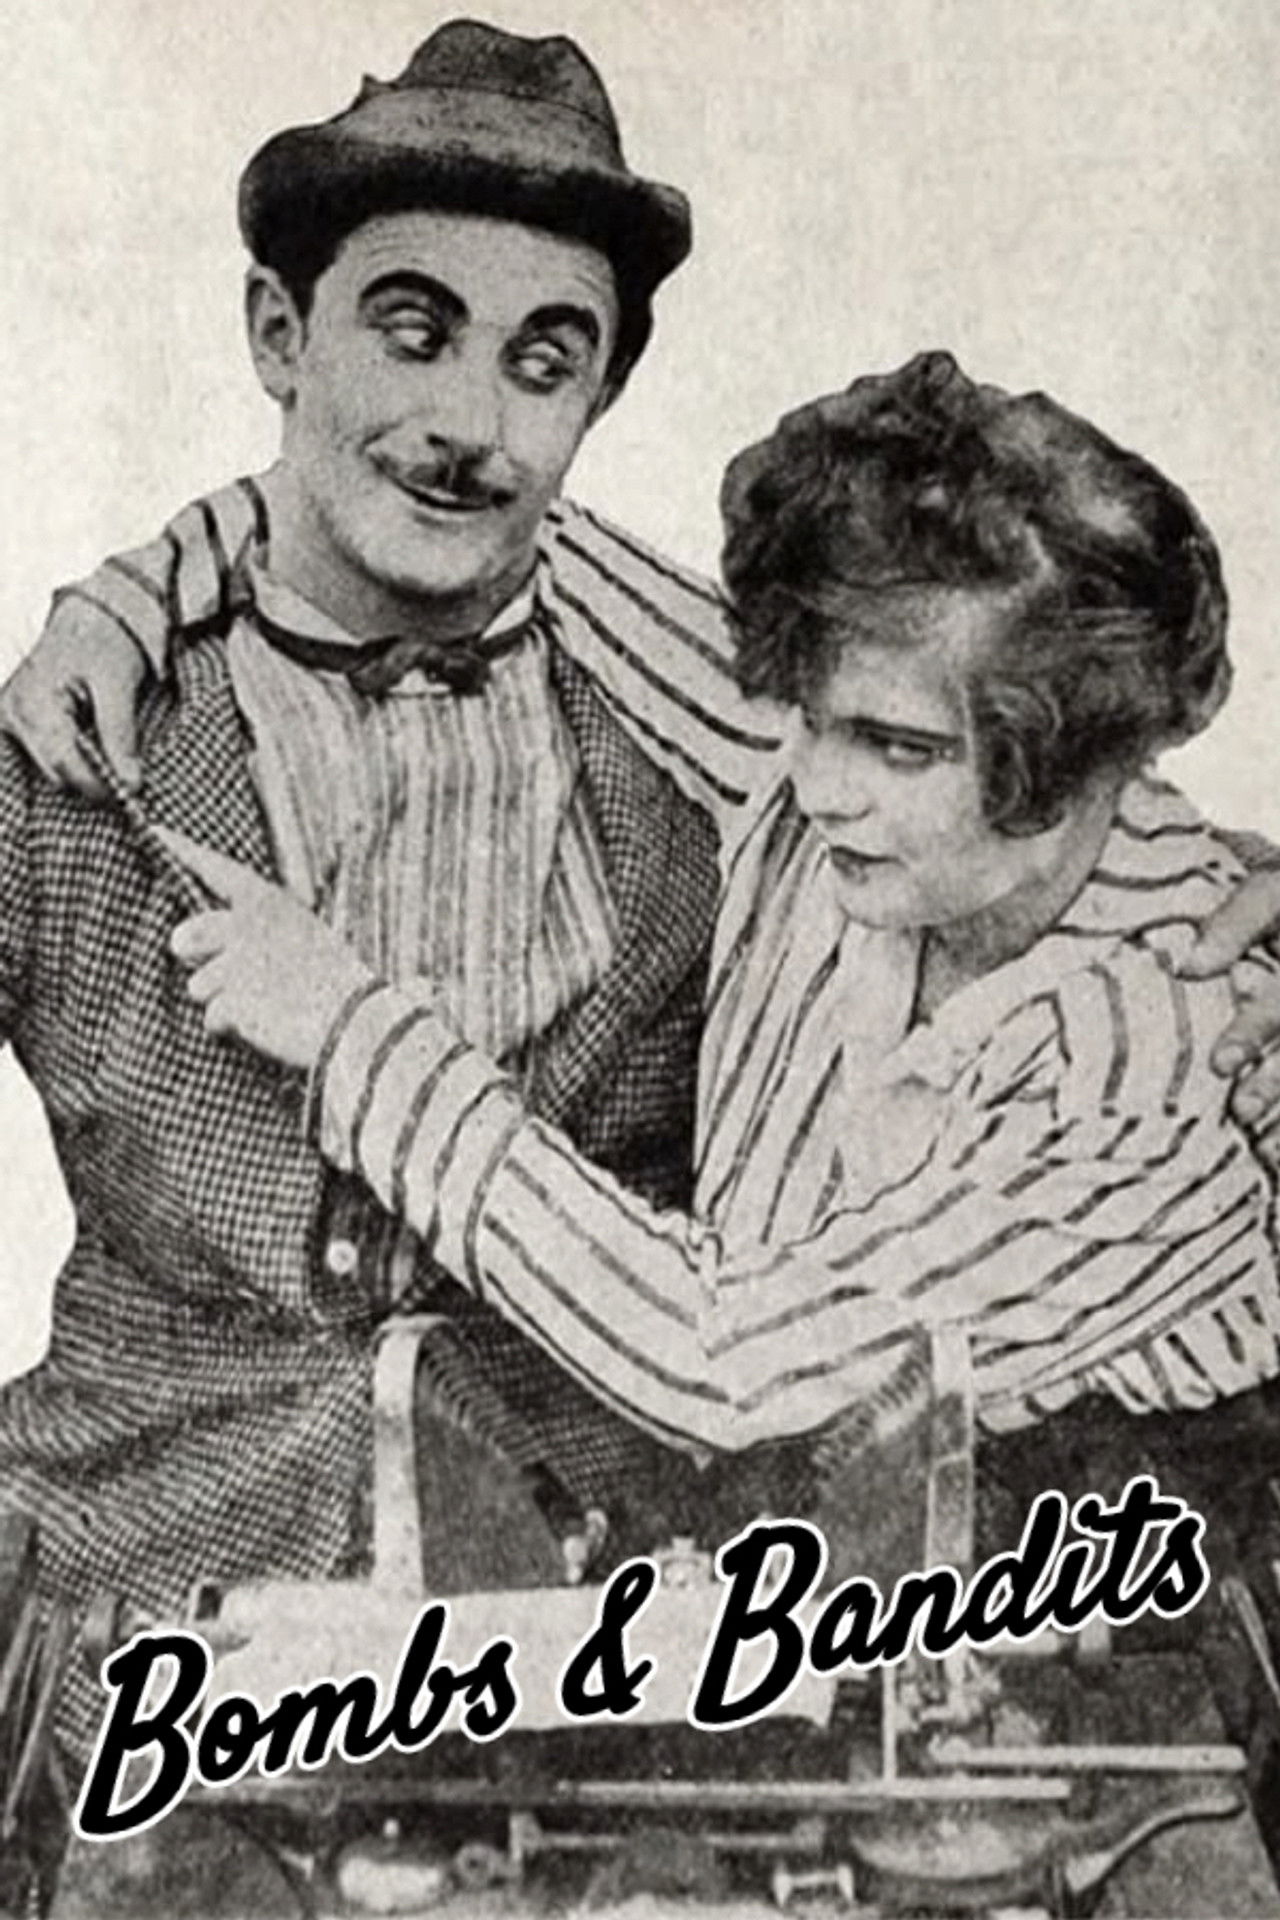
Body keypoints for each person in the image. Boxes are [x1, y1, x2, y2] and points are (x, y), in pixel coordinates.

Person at [0, 21, 793, 1819]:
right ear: (279, 336)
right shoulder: (77, 745)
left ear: (599, 402)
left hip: (587, 1683)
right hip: (118, 1666)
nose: (468, 425)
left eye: (543, 362)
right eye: (411, 330)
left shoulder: (715, 793)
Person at [155, 350, 1280, 1458]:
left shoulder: (1165, 1068)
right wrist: (139, 590)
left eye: (897, 749)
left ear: (1081, 764)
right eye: (807, 715)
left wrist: (354, 1034)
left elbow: (721, 1361)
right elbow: (504, 533)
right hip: (807, 1521)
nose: (815, 785)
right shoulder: (847, 767)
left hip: (1106, 1541)